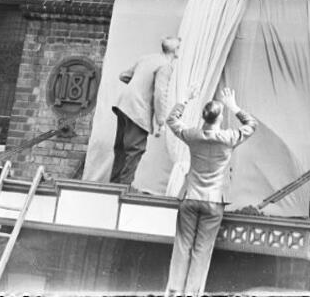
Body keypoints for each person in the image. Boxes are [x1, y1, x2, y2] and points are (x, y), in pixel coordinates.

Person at [165, 84, 257, 297]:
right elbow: (252, 124)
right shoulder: (229, 137)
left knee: (182, 247)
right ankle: (192, 294)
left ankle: (173, 293)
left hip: (189, 197)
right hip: (214, 201)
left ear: (204, 117)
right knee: (202, 250)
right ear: (219, 119)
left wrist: (185, 100)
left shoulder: (192, 134)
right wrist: (234, 107)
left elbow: (172, 121)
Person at [109, 36, 180, 185]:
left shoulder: (147, 58)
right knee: (135, 149)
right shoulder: (166, 66)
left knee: (121, 147)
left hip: (123, 104)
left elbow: (124, 75)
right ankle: (123, 188)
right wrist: (161, 121)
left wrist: (139, 86)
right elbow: (160, 94)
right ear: (176, 51)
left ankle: (114, 185)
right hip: (137, 109)